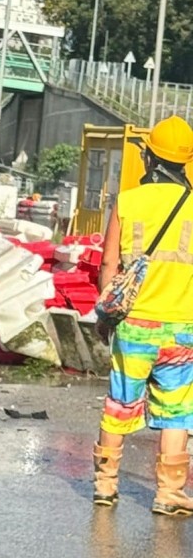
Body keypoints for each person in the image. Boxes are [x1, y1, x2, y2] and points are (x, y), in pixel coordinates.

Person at [93, 115, 193, 516]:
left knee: (120, 403)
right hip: (183, 328)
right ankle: (169, 495)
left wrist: (105, 316)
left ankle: (104, 486)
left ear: (149, 157)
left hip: (135, 324)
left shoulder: (129, 200)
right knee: (177, 411)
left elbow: (109, 265)